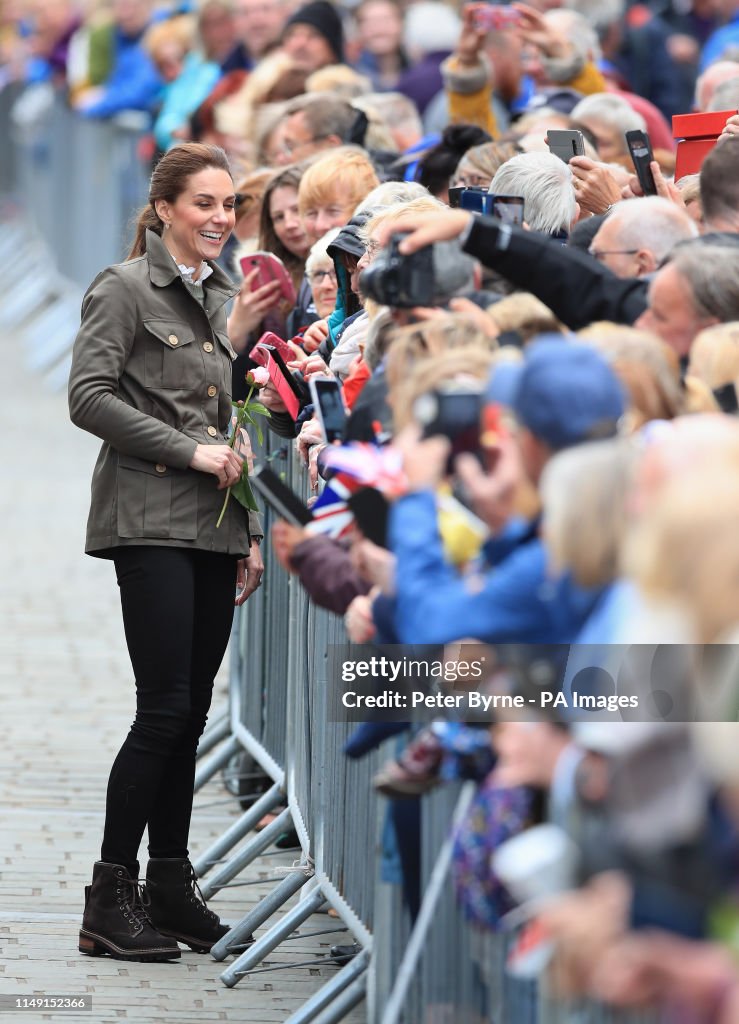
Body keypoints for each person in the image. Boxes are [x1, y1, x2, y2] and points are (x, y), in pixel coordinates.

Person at [68, 142, 264, 963]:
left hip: (214, 523)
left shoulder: (222, 290)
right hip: (149, 517)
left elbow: (227, 416)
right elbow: (88, 397)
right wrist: (187, 452)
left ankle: (171, 887)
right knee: (161, 710)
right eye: (203, 204)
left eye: (228, 205)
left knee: (189, 714)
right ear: (164, 210)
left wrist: (250, 529)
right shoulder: (123, 287)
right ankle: (107, 897)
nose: (220, 218)